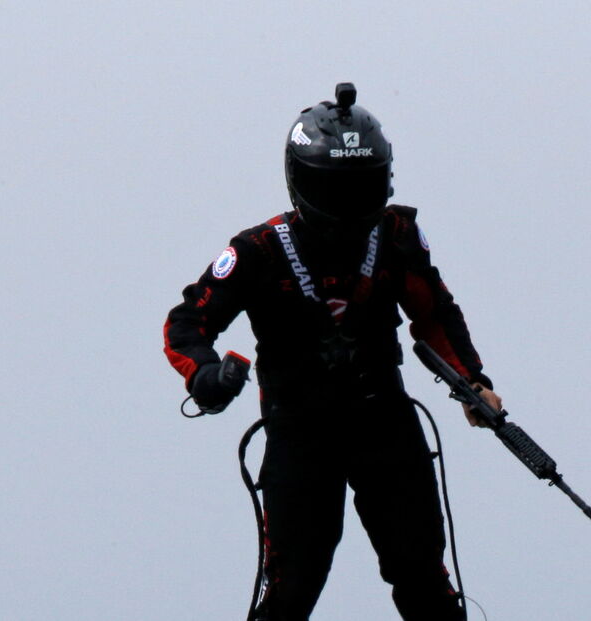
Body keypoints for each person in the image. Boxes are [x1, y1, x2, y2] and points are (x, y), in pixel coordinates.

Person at [162, 83, 502, 621]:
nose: (349, 209)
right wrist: (207, 377)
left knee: (425, 581)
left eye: (362, 189)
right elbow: (187, 324)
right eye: (335, 191)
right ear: (300, 181)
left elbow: (434, 314)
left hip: (385, 426)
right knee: (292, 588)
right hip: (299, 435)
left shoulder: (396, 235)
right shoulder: (257, 250)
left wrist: (473, 383)